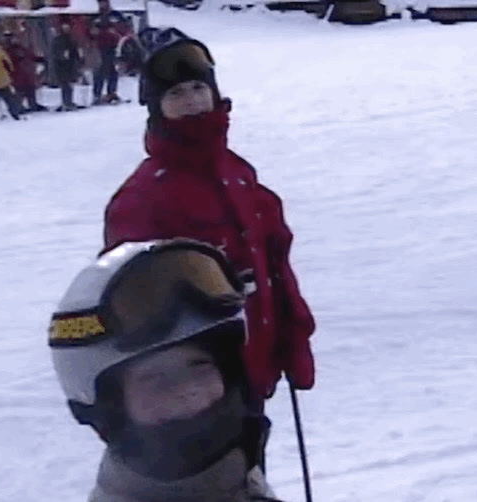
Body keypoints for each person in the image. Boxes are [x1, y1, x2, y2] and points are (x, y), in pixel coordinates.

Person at [101, 29, 316, 441]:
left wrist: (293, 339)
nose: (192, 101)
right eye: (176, 94)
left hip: (253, 371)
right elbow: (134, 308)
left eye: (199, 88)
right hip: (192, 396)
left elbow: (275, 267)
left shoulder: (238, 175)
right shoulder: (143, 198)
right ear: (157, 108)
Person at [49, 239, 283, 502]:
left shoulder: (240, 483)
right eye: (155, 379)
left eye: (200, 366)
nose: (187, 390)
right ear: (109, 407)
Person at [4, 30, 47, 113]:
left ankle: (32, 104)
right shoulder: (8, 51)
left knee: (30, 89)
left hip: (27, 72)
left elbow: (30, 56)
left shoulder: (21, 48)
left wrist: (38, 59)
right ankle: (18, 107)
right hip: (18, 74)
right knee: (20, 91)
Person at [52, 19, 83, 111]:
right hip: (61, 66)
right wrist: (62, 56)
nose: (66, 29)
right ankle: (66, 102)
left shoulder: (72, 38)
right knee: (65, 84)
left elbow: (75, 50)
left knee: (70, 84)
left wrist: (78, 59)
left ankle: (69, 101)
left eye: (67, 28)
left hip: (71, 64)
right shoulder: (58, 40)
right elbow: (56, 53)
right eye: (64, 28)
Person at [89, 17, 122, 105]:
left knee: (99, 76)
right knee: (111, 75)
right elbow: (117, 41)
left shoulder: (95, 34)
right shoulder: (111, 33)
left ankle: (97, 95)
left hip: (100, 54)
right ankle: (111, 94)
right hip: (108, 54)